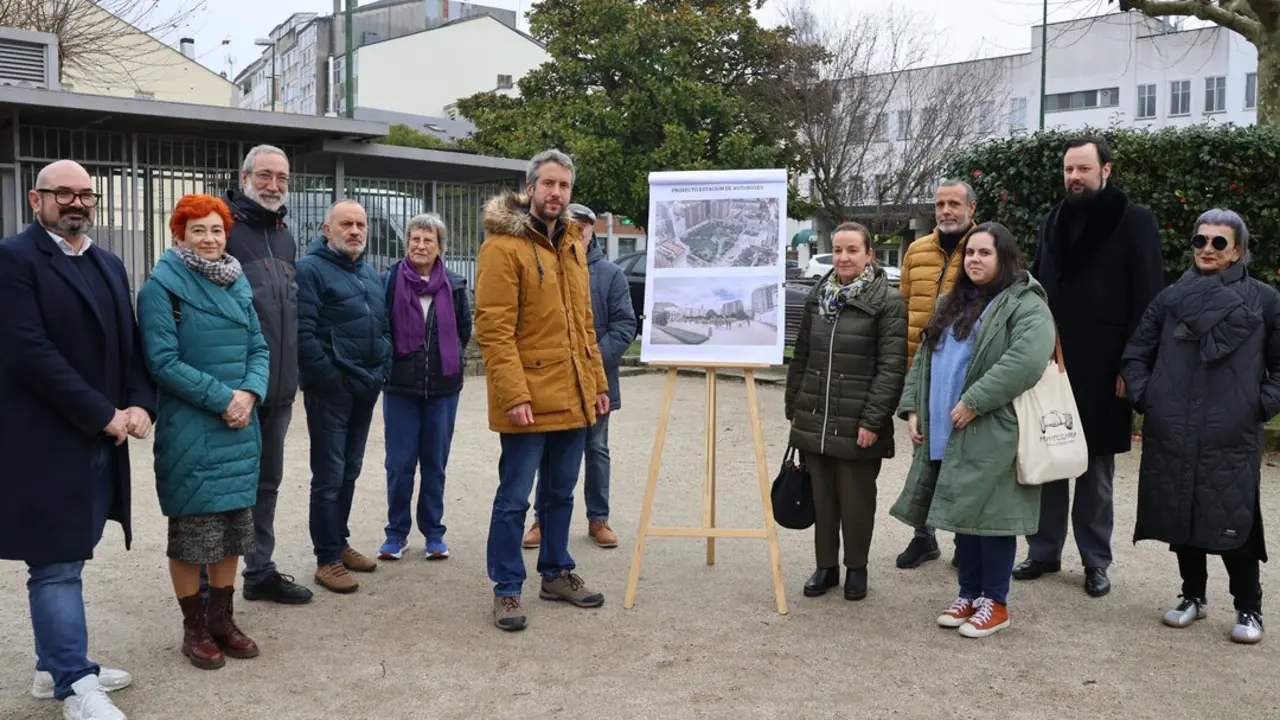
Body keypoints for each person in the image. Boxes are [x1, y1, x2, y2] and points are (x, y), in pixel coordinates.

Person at [0, 160, 156, 719]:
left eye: (85, 194)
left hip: (99, 435)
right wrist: (102, 414)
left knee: (71, 553)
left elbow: (131, 344)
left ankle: (53, 666)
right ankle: (74, 683)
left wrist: (139, 402)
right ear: (36, 201)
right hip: (45, 441)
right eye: (62, 193)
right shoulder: (14, 259)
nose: (76, 202)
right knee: (56, 561)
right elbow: (28, 352)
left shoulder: (108, 261)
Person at [1015, 136, 1164, 598]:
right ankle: (1043, 551)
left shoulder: (1135, 222)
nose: (1074, 178)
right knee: (1048, 455)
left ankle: (1096, 561)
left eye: (1083, 169)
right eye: (1068, 170)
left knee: (1095, 472)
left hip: (1106, 366)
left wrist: (1132, 366)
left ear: (1106, 171)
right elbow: (1038, 290)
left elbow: (1148, 299)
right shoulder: (1052, 220)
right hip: (1052, 362)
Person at [1121, 209, 1279, 645]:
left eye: (1219, 242)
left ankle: (1249, 605)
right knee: (1181, 512)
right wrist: (1148, 397)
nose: (1207, 248)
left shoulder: (1264, 300)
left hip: (1231, 431)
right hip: (1173, 426)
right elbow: (1137, 353)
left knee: (1235, 518)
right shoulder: (1171, 298)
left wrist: (1256, 406)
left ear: (1239, 251)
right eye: (1200, 240)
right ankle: (1192, 595)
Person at [890, 222, 1055, 639]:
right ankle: (968, 594)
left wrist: (975, 400)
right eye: (971, 253)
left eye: (985, 253)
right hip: (949, 425)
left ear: (1005, 258)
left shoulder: (1025, 302)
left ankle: (995, 603)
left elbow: (1026, 360)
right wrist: (913, 407)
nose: (975, 260)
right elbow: (924, 358)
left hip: (991, 425)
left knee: (992, 517)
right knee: (964, 513)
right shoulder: (952, 301)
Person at [475, 149, 611, 632]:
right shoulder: (502, 246)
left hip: (573, 395)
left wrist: (596, 384)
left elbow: (584, 325)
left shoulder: (574, 243)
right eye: (548, 184)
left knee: (560, 494)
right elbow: (493, 328)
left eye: (564, 186)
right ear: (529, 188)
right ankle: (507, 589)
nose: (556, 193)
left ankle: (555, 571)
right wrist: (514, 394)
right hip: (527, 400)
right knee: (513, 499)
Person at [137, 194, 269, 669]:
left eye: (216, 230)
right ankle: (193, 628)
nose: (210, 239)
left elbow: (259, 346)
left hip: (238, 424)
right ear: (179, 235)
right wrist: (224, 399)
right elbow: (162, 362)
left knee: (233, 531)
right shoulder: (160, 289)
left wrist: (250, 394)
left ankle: (221, 618)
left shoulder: (237, 283)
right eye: (199, 231)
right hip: (193, 426)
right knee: (193, 535)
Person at [785, 222, 907, 601]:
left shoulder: (887, 302)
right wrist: (794, 403)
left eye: (852, 250)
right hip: (816, 417)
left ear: (869, 254)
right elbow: (802, 355)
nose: (843, 257)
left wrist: (873, 420)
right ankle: (826, 567)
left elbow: (891, 368)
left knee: (856, 501)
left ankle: (857, 567)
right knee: (821, 497)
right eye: (837, 250)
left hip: (858, 421)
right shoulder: (819, 295)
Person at [221, 144, 311, 605]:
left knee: (267, 483)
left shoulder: (285, 236)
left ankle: (259, 573)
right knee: (224, 487)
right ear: (245, 176)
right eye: (265, 176)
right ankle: (205, 590)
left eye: (282, 178)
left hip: (279, 388)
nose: (274, 185)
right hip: (237, 389)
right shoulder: (223, 231)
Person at [522, 203, 635, 550]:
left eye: (583, 227)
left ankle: (598, 518)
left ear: (591, 232)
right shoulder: (544, 265)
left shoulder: (611, 275)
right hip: (554, 384)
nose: (578, 233)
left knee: (596, 449)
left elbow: (625, 325)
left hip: (597, 381)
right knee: (550, 452)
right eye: (572, 226)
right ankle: (542, 520)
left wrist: (587, 362)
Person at [296, 199, 393, 594]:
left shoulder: (370, 273)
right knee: (329, 476)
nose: (355, 231)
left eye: (360, 225)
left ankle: (340, 542)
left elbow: (383, 328)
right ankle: (326, 559)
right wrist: (333, 381)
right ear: (326, 229)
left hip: (365, 389)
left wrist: (381, 370)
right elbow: (302, 335)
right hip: (331, 393)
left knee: (350, 470)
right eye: (346, 224)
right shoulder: (310, 270)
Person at [894, 179, 979, 570]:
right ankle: (924, 537)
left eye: (954, 204)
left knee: (962, 463)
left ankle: (965, 539)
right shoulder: (916, 251)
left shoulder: (984, 248)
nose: (945, 210)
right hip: (922, 371)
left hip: (965, 373)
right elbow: (905, 306)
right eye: (940, 204)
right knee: (923, 456)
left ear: (970, 208)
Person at [378, 213, 472, 561]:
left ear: (439, 247)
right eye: (415, 239)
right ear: (407, 243)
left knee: (435, 465)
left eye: (428, 240)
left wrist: (451, 361)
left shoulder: (456, 284)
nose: (420, 245)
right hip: (401, 388)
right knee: (399, 465)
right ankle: (396, 534)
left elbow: (464, 331)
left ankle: (434, 533)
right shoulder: (389, 280)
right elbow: (382, 326)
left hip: (444, 390)